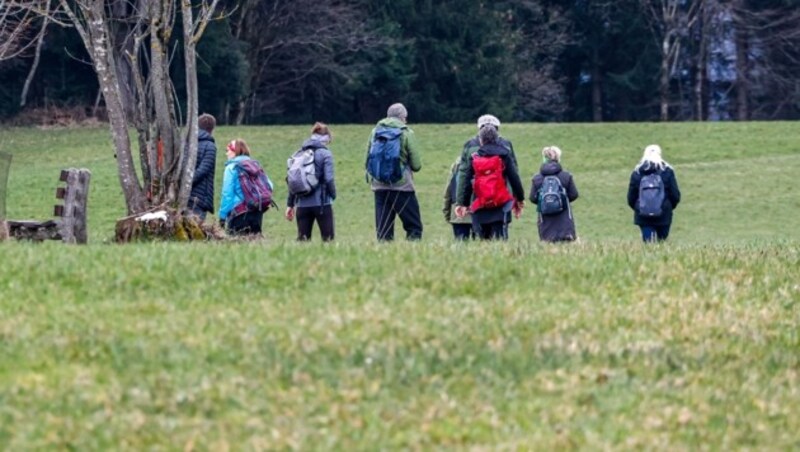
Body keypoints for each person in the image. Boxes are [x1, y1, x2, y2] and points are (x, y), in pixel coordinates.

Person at [454, 125, 525, 240]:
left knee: (484, 243)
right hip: (500, 205)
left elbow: (467, 183)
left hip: (480, 205)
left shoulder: (474, 158)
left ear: (481, 140)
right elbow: (514, 178)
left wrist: (463, 203)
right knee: (500, 240)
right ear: (497, 139)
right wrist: (520, 199)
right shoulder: (505, 155)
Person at [365, 103, 423, 241]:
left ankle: (384, 257)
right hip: (402, 186)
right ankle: (412, 256)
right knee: (414, 227)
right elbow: (416, 165)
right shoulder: (407, 132)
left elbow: (367, 159)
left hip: (379, 186)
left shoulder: (375, 132)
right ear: (402, 118)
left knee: (383, 230)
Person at [285, 122, 337, 241]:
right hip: (322, 204)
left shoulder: (298, 154)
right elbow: (329, 179)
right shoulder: (326, 154)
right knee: (328, 240)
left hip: (302, 205)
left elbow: (293, 181)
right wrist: (333, 195)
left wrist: (290, 205)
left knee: (303, 241)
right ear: (326, 138)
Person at [218, 139, 274, 236]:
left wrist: (222, 216)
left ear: (235, 151)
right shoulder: (255, 165)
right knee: (255, 247)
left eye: (227, 150)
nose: (226, 154)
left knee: (236, 247)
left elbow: (227, 194)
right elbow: (269, 185)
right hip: (257, 211)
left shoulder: (231, 168)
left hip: (238, 213)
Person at [627, 144, 681, 242]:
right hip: (663, 214)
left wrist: (639, 208)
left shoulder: (637, 172)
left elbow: (631, 197)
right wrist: (667, 207)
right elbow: (675, 195)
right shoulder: (667, 171)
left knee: (648, 244)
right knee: (662, 243)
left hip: (643, 215)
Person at [455, 114, 517, 199]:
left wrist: (460, 201)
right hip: (503, 197)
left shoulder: (469, 146)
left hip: (477, 196)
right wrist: (516, 196)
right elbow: (514, 173)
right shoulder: (506, 145)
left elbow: (463, 175)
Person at [530, 146, 579, 242]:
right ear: (558, 158)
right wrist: (562, 201)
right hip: (565, 223)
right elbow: (574, 194)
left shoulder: (537, 179)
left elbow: (532, 198)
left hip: (545, 223)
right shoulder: (566, 176)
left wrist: (545, 203)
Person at [187, 113, 217, 221]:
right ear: (212, 128)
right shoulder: (210, 146)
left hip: (185, 194)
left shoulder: (188, 143)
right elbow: (204, 169)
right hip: (200, 197)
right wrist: (189, 181)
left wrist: (184, 184)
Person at [442, 156, 474, 240]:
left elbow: (449, 190)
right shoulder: (486, 159)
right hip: (480, 213)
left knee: (460, 247)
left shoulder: (457, 164)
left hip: (458, 212)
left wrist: (447, 212)